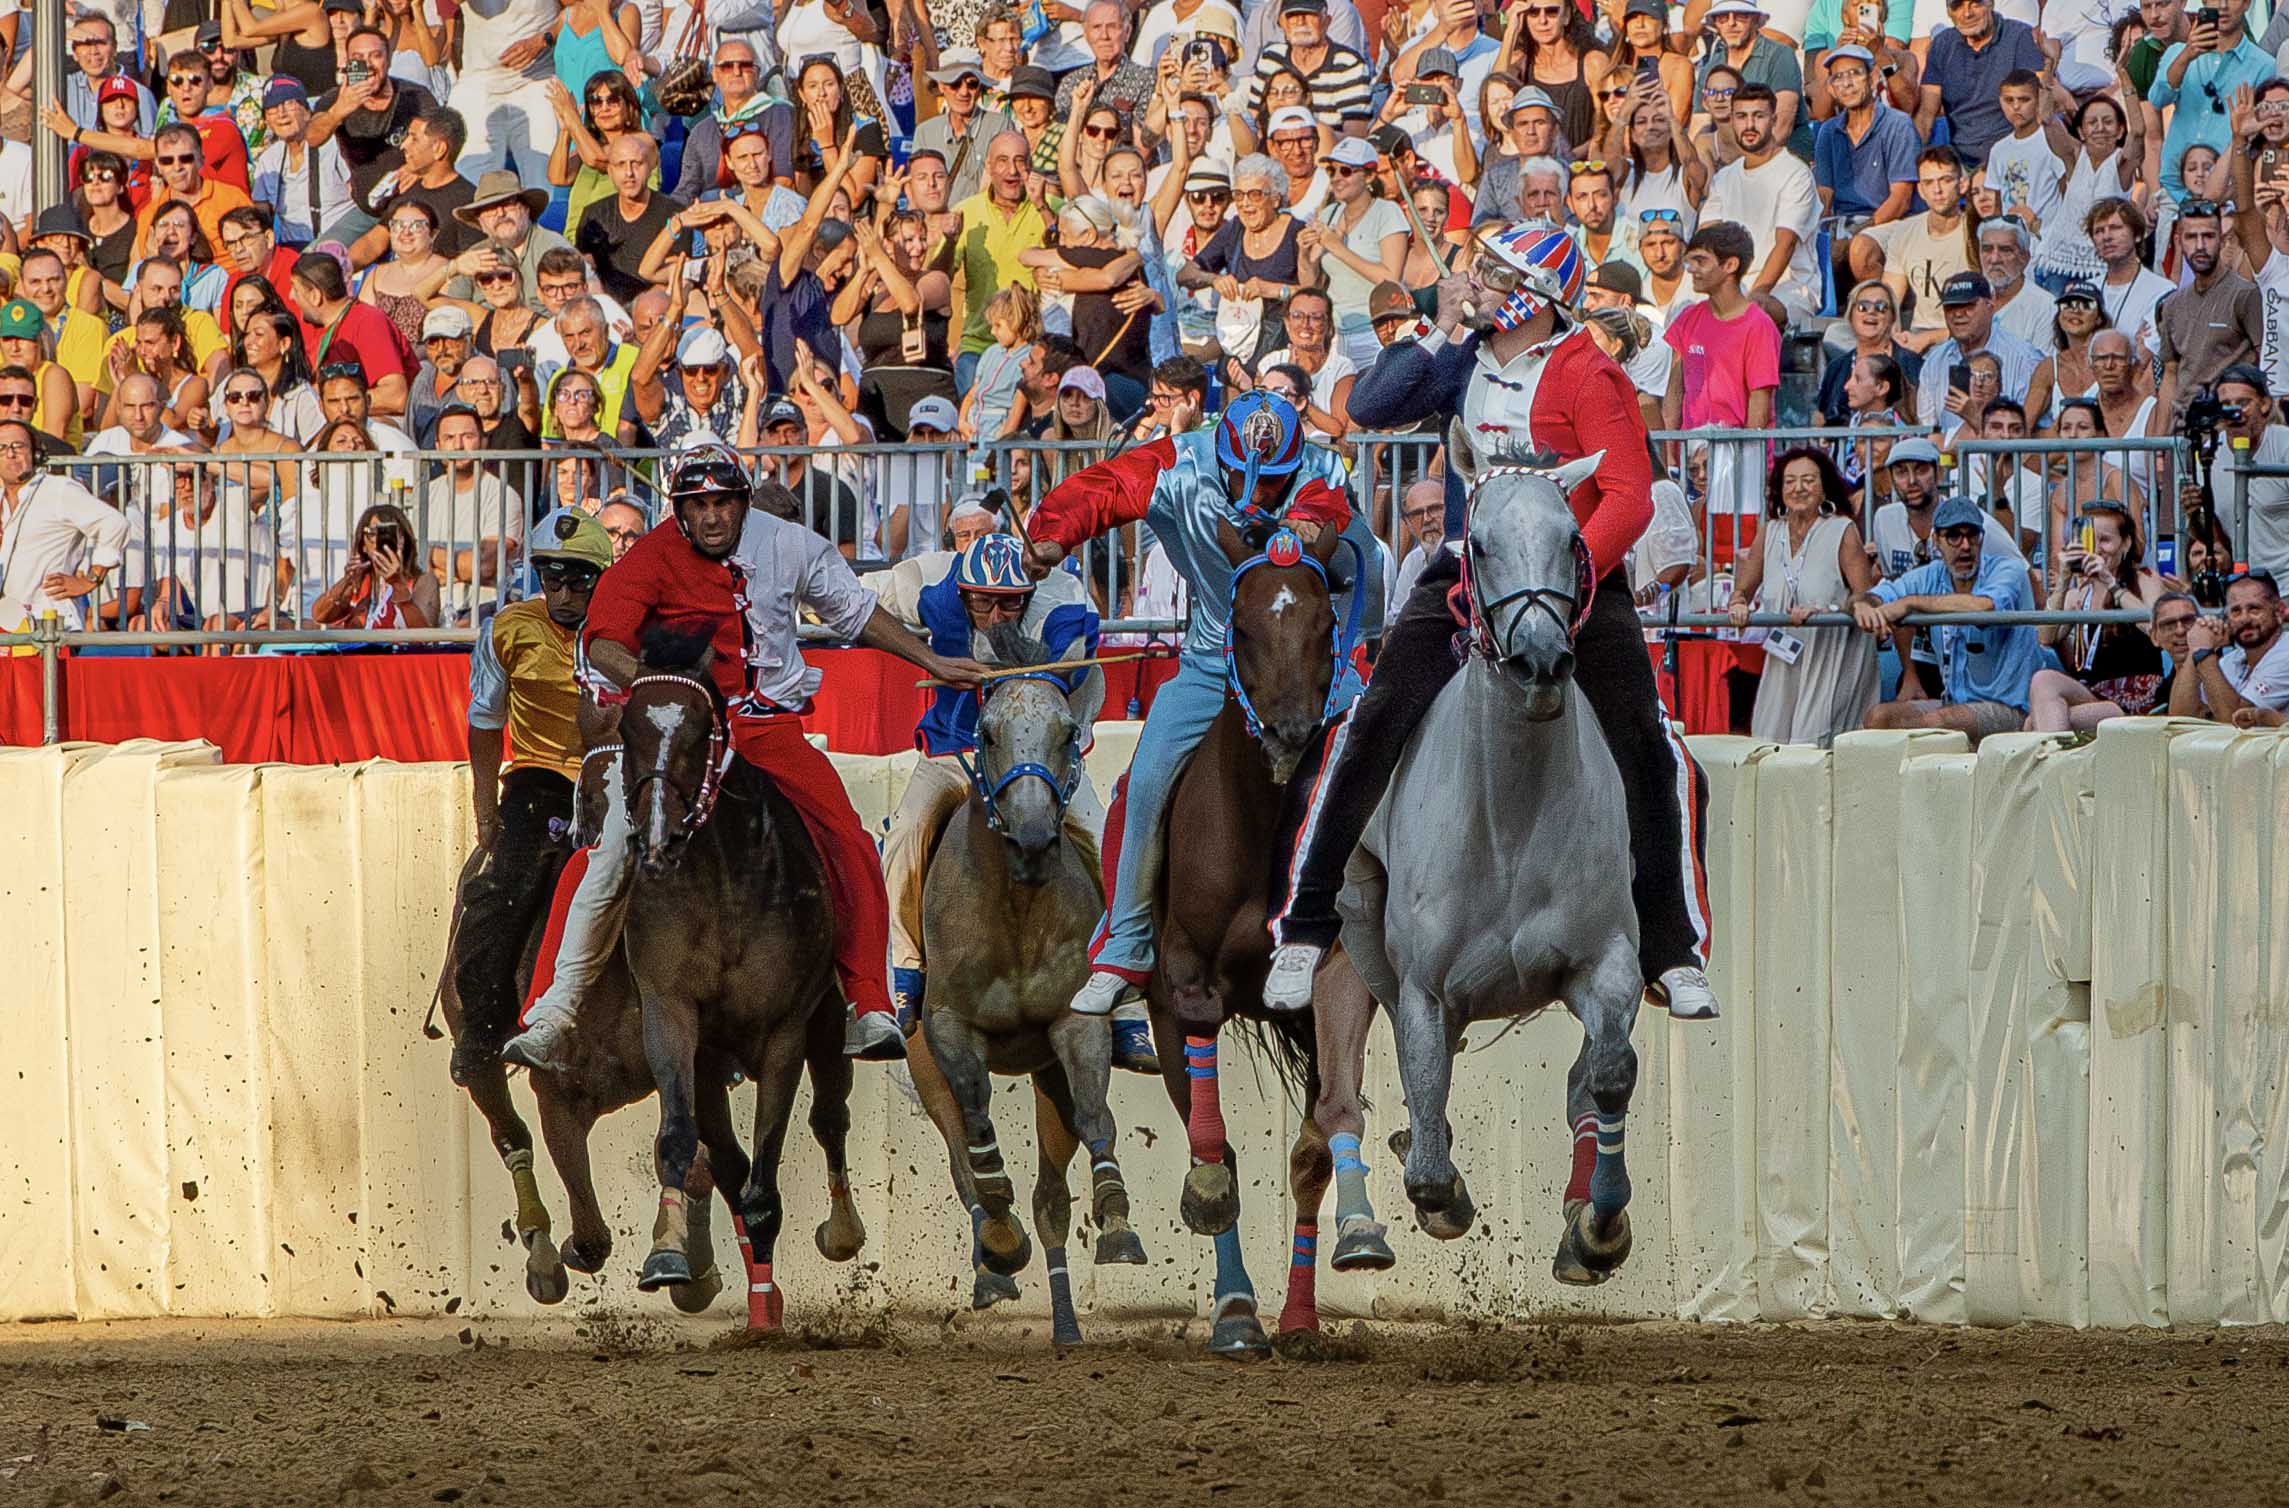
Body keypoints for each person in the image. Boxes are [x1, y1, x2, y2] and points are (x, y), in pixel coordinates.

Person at [1264, 222, 1717, 1021]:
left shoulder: (1589, 374)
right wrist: (1440, 325)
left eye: (1492, 277)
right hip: (1466, 567)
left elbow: (1629, 496)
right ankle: (1303, 924)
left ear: (1535, 298)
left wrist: (1570, 579)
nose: (1474, 282)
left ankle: (1672, 948)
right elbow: (1370, 406)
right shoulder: (1462, 358)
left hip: (1572, 574)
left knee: (1649, 743)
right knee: (1370, 721)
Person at [499, 445, 992, 1071]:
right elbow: (601, 641)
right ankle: (554, 1010)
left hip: (769, 729)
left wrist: (931, 661)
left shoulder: (791, 543)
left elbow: (856, 613)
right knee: (612, 843)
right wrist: (661, 686)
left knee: (848, 837)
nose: (711, 518)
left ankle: (867, 1002)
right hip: (681, 734)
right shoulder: (650, 556)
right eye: (697, 506)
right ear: (679, 510)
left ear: (741, 501)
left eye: (723, 503)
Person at [1026, 388, 1379, 1018]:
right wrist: (1054, 532)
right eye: (1256, 481)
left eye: (1276, 481)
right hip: (1213, 658)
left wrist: (1311, 514)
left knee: (1382, 752)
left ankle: (1405, 921)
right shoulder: (1177, 465)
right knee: (1147, 784)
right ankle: (1127, 944)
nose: (1263, 495)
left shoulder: (1321, 473)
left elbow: (1333, 510)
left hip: (1309, 664)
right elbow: (1102, 488)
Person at [869, 531, 1154, 1072]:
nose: (997, 613)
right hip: (955, 750)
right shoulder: (933, 582)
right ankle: (903, 976)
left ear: (1031, 592)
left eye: (1010, 602)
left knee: (1104, 836)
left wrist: (1022, 663)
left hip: (1043, 760)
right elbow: (859, 596)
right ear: (963, 592)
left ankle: (1126, 1005)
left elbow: (1070, 670)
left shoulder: (1064, 599)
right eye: (983, 601)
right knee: (907, 829)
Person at [448, 505, 609, 1081]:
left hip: (621, 775)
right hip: (541, 779)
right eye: (552, 578)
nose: (563, 592)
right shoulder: (506, 629)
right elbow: (485, 723)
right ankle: (485, 1032)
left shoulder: (626, 629)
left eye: (578, 579)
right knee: (499, 895)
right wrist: (485, 807)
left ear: (600, 578)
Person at [1854, 495, 2042, 743]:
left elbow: (1983, 607)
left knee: (1939, 724)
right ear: (1936, 541)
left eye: (1972, 535)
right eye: (1954, 536)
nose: (1965, 545)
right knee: (1878, 717)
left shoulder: (2007, 569)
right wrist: (1864, 606)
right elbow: (1878, 595)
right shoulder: (1930, 575)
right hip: (1954, 701)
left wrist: (1911, 603)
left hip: (2012, 707)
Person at [1727, 447, 1880, 746]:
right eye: (1790, 481)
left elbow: (1865, 597)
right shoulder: (1770, 532)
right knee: (1768, 738)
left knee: (1815, 743)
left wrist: (1829, 610)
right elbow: (1743, 589)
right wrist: (1738, 603)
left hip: (1831, 656)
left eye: (1808, 480)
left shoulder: (1842, 530)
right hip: (1784, 657)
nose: (1798, 488)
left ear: (1824, 487)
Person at [1663, 221, 1780, 535]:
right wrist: (1672, 455)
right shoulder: (1688, 318)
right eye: (1691, 260)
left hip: (1740, 463)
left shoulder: (1758, 326)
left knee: (1731, 555)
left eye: (1701, 261)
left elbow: (1759, 403)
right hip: (1692, 461)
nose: (1692, 269)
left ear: (1730, 265)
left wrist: (1748, 465)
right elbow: (1674, 393)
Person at [2027, 500, 2169, 729]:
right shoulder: (2079, 594)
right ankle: (2056, 760)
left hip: (2137, 692)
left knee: (2041, 721)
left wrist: (2111, 584)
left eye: (2104, 540)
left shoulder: (2144, 578)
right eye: (2090, 541)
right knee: (2040, 688)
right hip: (2094, 691)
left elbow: (2156, 629)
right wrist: (2063, 580)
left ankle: (2054, 762)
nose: (2097, 549)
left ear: (2125, 544)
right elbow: (2045, 638)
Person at [1697, 84, 1820, 330]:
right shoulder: (1724, 178)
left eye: (1759, 116)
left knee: (1752, 310)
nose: (1750, 125)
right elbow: (1707, 240)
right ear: (1731, 121)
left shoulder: (1796, 174)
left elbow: (1784, 246)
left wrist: (1748, 297)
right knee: (1686, 309)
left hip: (1787, 288)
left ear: (1773, 120)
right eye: (1742, 116)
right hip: (1731, 284)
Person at [0, 417, 127, 636]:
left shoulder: (59, 489)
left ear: (36, 454)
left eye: (18, 446)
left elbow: (115, 523)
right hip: (9, 624)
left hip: (50, 624)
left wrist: (90, 579)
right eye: (1, 448)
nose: (10, 453)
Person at [1848, 148, 1975, 351]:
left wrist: (1928, 339)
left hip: (1959, 338)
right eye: (1929, 183)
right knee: (1836, 336)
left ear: (1962, 184)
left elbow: (1985, 318)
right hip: (1915, 334)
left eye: (1945, 180)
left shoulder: (1976, 234)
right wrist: (1892, 336)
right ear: (1921, 190)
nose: (1937, 190)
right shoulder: (1905, 231)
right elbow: (1891, 301)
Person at [2154, 199, 2265, 423]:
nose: (2200, 246)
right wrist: (2159, 444)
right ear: (2179, 241)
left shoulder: (2245, 294)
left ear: (2222, 240)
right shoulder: (2171, 304)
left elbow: (2265, 362)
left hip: (2230, 427)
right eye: (2191, 237)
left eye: (2208, 236)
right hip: (2183, 430)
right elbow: (2170, 375)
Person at [1916, 272, 2053, 432]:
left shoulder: (2025, 359)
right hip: (1945, 456)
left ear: (1990, 305)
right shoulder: (1935, 361)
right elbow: (1928, 430)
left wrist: (1975, 418)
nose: (1958, 314)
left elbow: (2025, 433)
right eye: (1951, 307)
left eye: (1968, 306)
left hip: (2006, 456)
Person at [1916, 0, 2045, 168]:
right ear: (1948, 12)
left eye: (1975, 3)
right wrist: (1914, 165)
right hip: (1961, 162)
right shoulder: (1942, 44)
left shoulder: (2019, 36)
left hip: (2015, 156)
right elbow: (1926, 115)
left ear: (1991, 3)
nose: (1967, 13)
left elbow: (2041, 101)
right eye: (1957, 6)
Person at [2168, 567, 2289, 722]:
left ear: (2279, 612)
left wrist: (2204, 653)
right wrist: (2194, 651)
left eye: (2254, 609)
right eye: (2236, 611)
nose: (2245, 619)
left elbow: (2237, 720)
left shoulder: (2286, 652)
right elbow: (2180, 719)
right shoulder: (2232, 660)